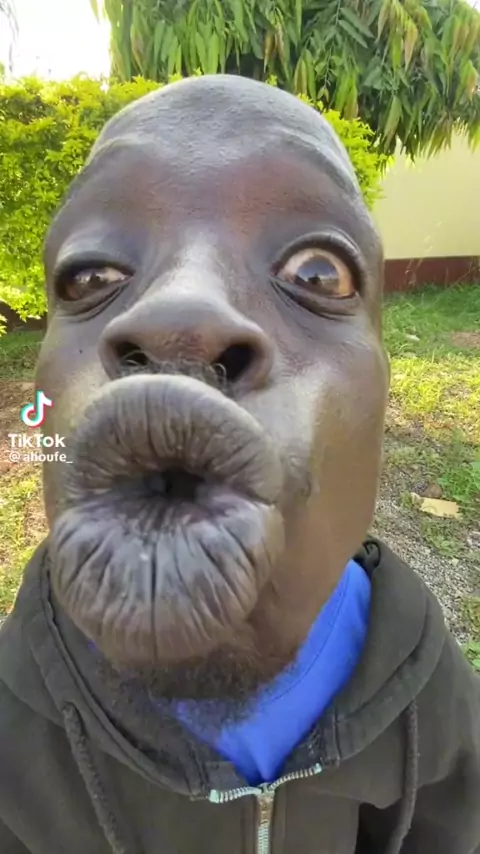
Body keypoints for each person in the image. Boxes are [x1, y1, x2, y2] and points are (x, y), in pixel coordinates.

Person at [0, 74, 478, 854]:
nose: (180, 313)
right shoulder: (13, 725)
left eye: (316, 274)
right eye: (93, 278)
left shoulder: (422, 683)